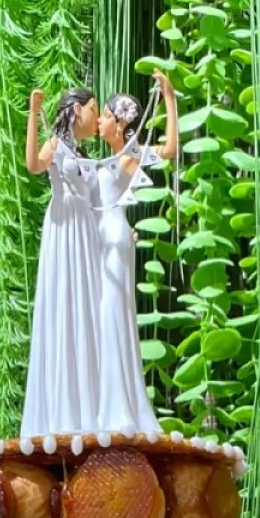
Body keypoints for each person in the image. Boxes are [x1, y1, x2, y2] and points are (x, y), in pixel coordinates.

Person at [94, 75, 178, 437]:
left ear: (119, 121)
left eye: (104, 116)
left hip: (113, 238)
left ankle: (117, 407)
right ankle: (99, 399)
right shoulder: (105, 158)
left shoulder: (130, 158)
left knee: (112, 314)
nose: (98, 121)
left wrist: (170, 99)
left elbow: (171, 150)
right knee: (97, 316)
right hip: (98, 240)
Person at [21, 87, 105, 440]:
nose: (98, 119)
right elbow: (33, 165)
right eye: (93, 110)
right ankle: (61, 407)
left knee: (87, 308)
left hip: (85, 233)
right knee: (64, 304)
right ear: (76, 111)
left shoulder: (85, 154)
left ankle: (90, 402)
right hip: (64, 230)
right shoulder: (57, 145)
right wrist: (32, 113)